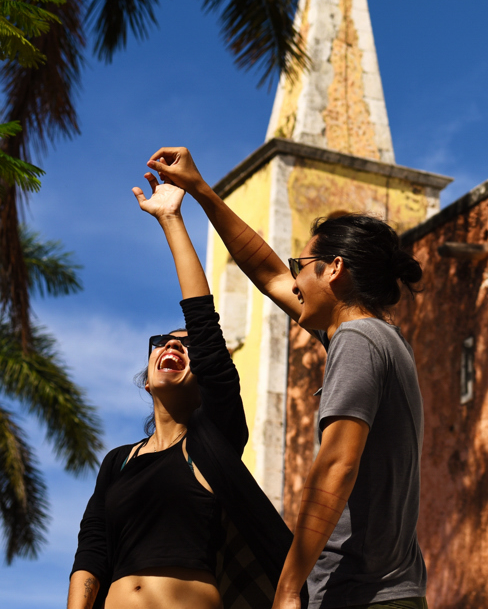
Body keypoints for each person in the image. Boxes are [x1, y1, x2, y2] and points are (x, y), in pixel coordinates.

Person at [147, 146, 429, 609]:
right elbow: (267, 273)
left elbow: (337, 464)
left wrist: (286, 586)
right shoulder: (380, 339)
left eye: (302, 267)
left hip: (360, 597)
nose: (294, 281)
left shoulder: (357, 341)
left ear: (335, 269)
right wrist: (200, 191)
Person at [68, 173, 296, 609]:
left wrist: (172, 219)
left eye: (187, 345)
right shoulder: (118, 462)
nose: (173, 344)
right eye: (163, 341)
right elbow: (93, 547)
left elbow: (204, 324)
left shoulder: (214, 443)